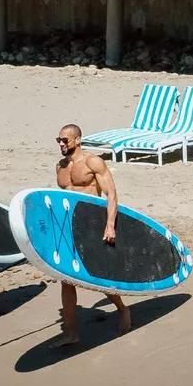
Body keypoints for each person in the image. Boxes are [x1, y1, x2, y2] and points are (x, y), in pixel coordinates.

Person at [54, 123, 128, 345]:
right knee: (66, 279)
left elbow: (111, 194)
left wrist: (110, 225)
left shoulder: (92, 162)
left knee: (97, 277)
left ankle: (122, 309)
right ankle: (71, 334)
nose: (61, 144)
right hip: (70, 226)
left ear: (77, 140)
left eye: (65, 140)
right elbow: (61, 200)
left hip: (92, 224)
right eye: (58, 140)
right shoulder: (60, 167)